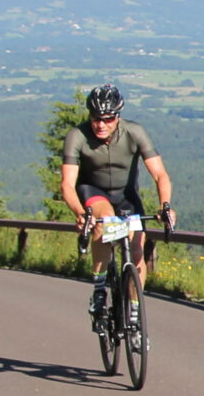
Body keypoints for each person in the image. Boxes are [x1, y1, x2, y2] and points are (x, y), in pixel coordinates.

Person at [58, 85, 175, 329]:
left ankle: (133, 310)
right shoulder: (77, 136)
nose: (101, 124)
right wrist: (80, 213)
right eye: (95, 119)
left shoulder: (135, 132)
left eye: (108, 119)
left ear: (118, 116)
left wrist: (165, 206)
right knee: (107, 220)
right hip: (93, 193)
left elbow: (160, 175)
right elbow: (67, 185)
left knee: (136, 251)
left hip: (126, 196)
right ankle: (100, 288)